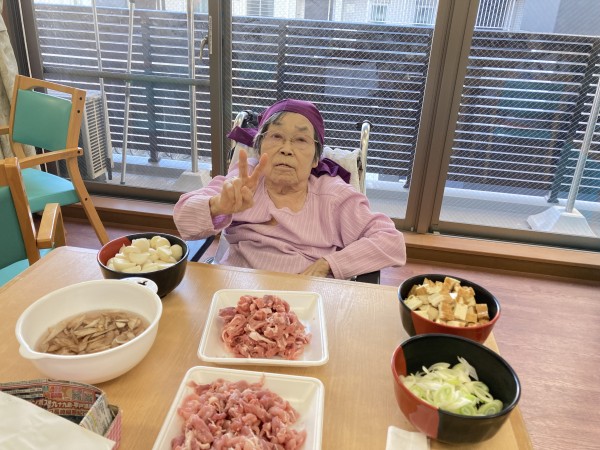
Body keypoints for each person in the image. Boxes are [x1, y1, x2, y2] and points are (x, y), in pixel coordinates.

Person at [174, 99, 406, 279]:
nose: (286, 149)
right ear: (260, 148)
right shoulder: (245, 178)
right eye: (276, 136)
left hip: (305, 296)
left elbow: (391, 241)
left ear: (315, 159)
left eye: (300, 140)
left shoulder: (333, 196)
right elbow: (184, 220)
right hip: (238, 287)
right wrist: (217, 206)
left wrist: (329, 264)